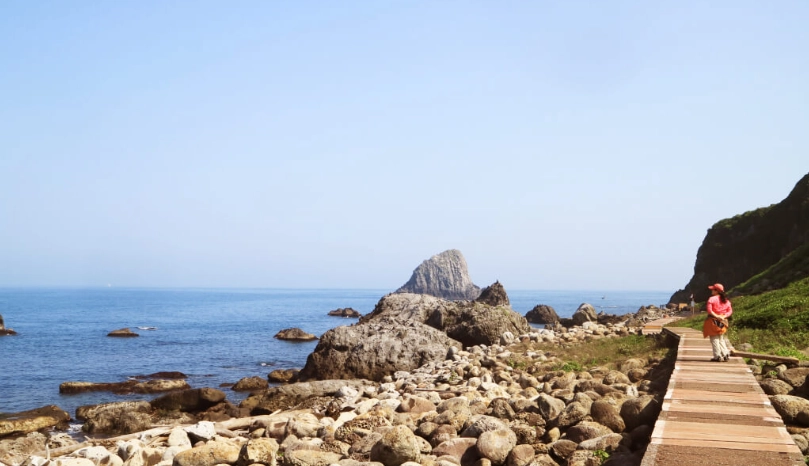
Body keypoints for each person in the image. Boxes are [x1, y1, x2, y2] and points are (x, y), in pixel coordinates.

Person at [702, 283, 733, 362]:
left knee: (714, 338)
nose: (711, 290)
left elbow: (709, 311)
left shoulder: (711, 299)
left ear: (716, 291)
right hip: (723, 321)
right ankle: (725, 354)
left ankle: (717, 356)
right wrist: (723, 316)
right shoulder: (726, 300)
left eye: (713, 289)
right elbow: (730, 311)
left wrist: (716, 316)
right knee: (721, 338)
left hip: (713, 321)